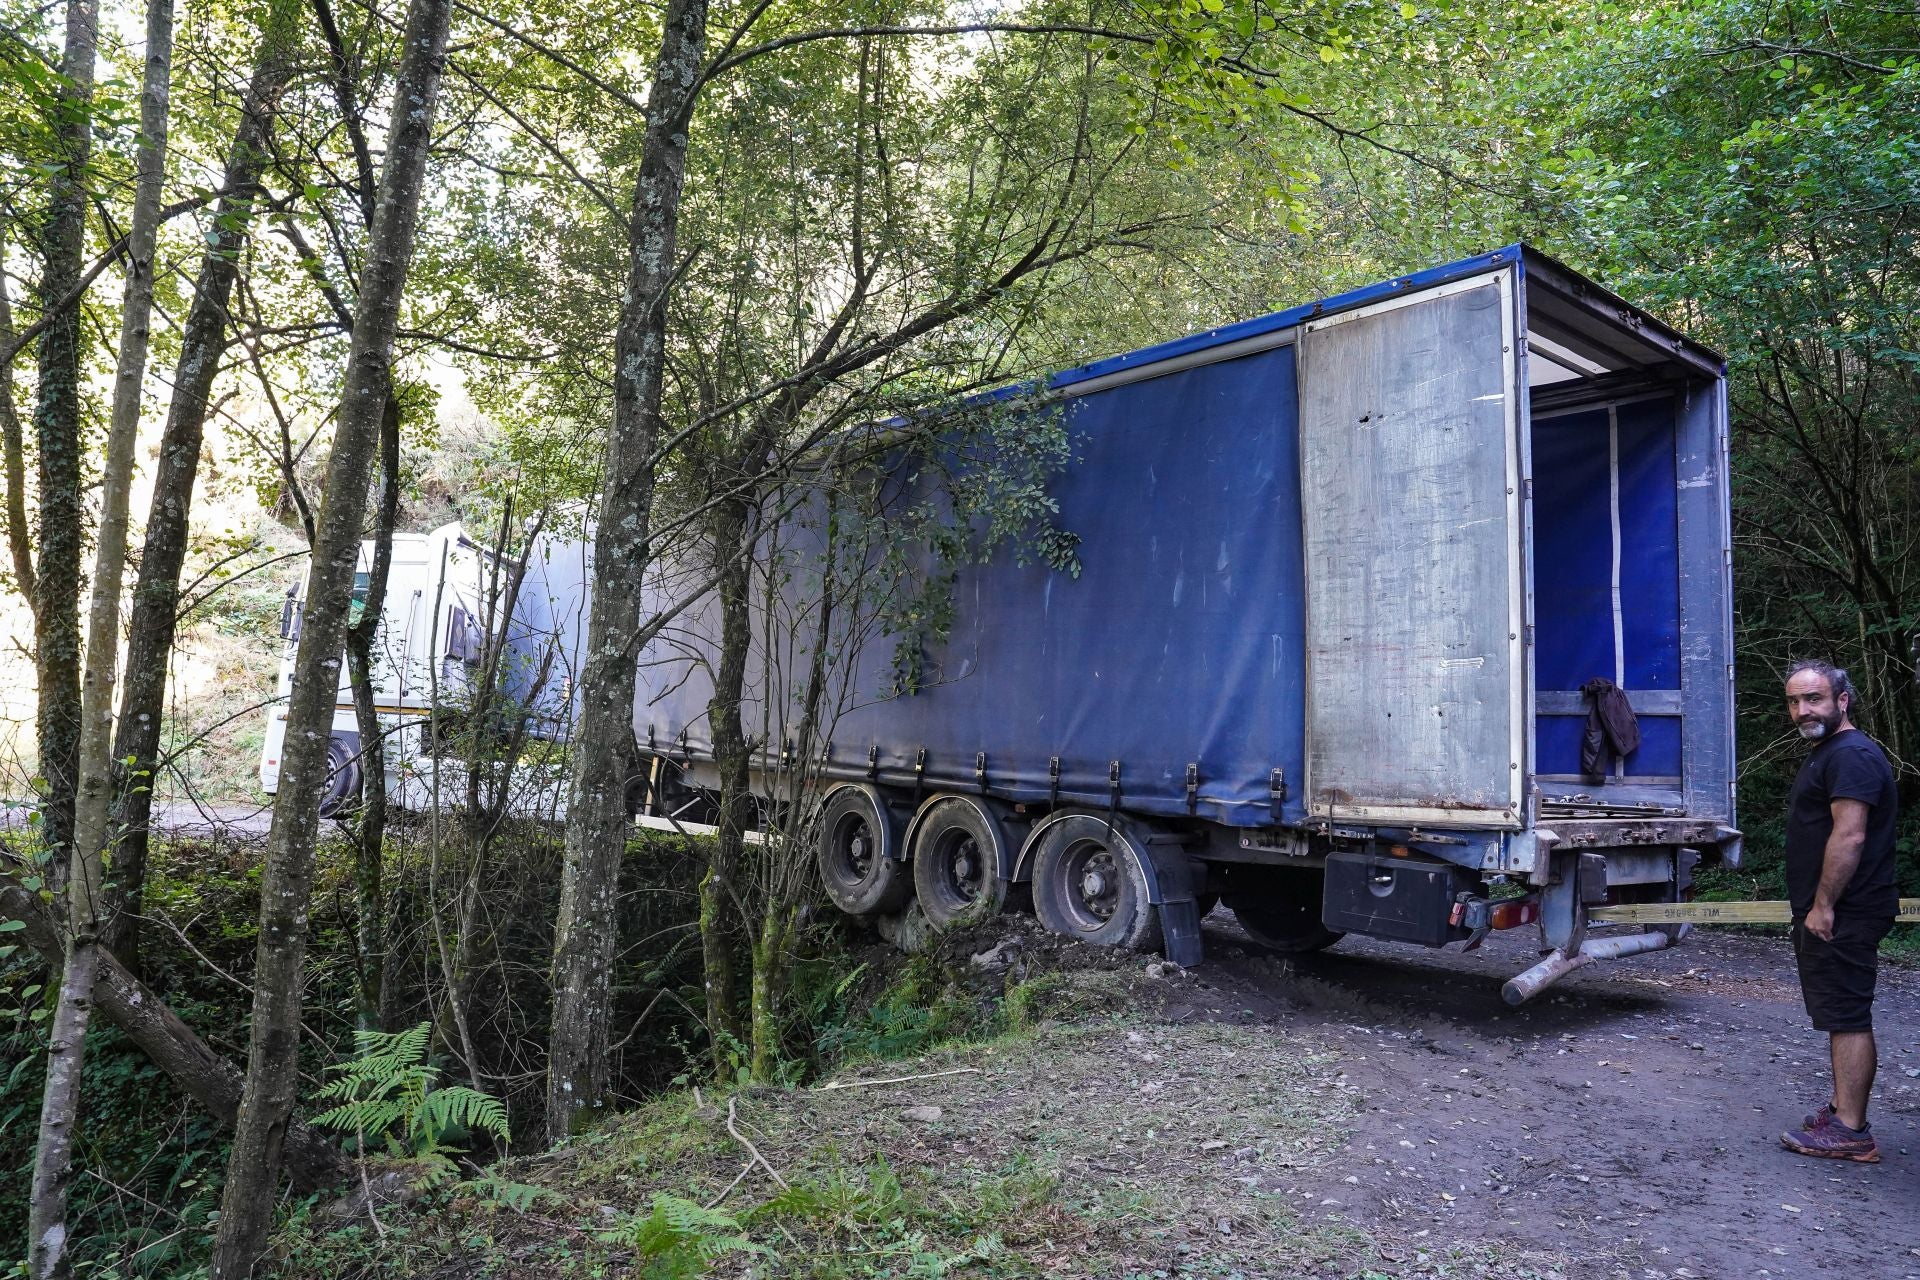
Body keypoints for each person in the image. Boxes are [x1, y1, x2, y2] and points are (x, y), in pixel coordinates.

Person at [1776, 660, 1900, 1164]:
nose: (1803, 710)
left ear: (1841, 700)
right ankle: (1842, 1111)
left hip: (1844, 912)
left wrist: (1824, 906)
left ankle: (1852, 1131)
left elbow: (1849, 835)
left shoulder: (1851, 755)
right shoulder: (1830, 751)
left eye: (1814, 699)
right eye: (1794, 701)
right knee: (1838, 1012)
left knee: (1847, 1015)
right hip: (1834, 909)